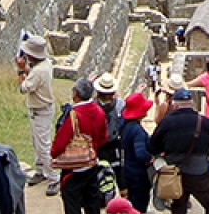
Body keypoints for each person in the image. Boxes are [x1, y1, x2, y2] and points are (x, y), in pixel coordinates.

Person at [153, 88, 209, 214]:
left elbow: (152, 147)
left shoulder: (166, 123)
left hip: (175, 173)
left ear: (174, 105)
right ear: (192, 104)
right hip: (200, 172)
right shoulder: (205, 123)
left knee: (178, 206)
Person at [53, 78, 111, 214]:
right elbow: (103, 138)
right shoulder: (99, 112)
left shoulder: (73, 115)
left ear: (76, 94)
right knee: (92, 201)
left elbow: (60, 142)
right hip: (91, 164)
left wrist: (54, 153)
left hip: (74, 168)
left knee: (72, 202)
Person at [18, 32, 60, 190]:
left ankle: (54, 177)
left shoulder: (37, 72)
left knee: (43, 145)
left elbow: (24, 88)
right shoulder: (45, 64)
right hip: (41, 109)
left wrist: (21, 71)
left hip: (40, 110)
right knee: (37, 143)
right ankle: (41, 170)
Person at [117, 92, 157, 212]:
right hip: (138, 175)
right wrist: (151, 158)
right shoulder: (137, 131)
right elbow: (140, 154)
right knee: (139, 207)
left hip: (126, 172)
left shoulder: (125, 126)